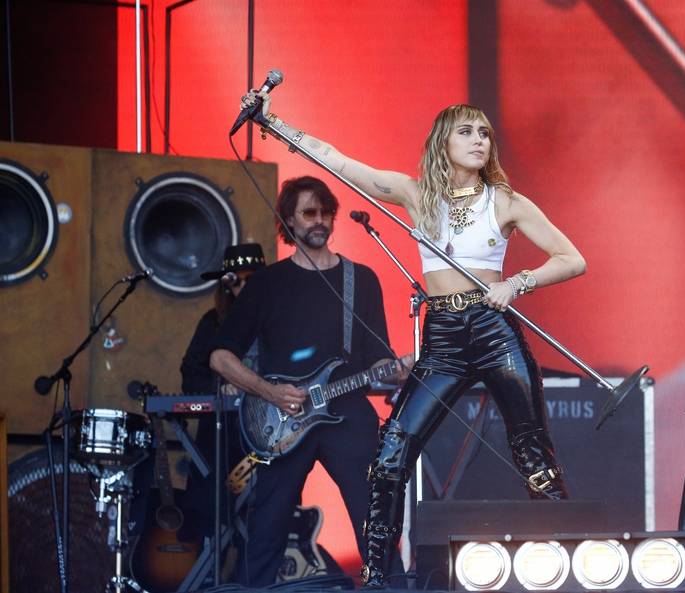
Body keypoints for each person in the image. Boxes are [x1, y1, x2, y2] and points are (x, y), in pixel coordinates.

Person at [242, 93, 586, 586]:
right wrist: (272, 123)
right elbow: (338, 162)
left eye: (484, 133)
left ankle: (568, 569)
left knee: (533, 454)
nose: (478, 141)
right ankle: (382, 580)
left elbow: (571, 258)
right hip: (443, 336)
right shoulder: (417, 194)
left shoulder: (506, 201)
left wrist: (517, 283)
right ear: (442, 143)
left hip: (492, 331)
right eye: (466, 132)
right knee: (389, 456)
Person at [209, 176, 409, 587]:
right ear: (289, 220)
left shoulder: (362, 280)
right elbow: (220, 356)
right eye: (309, 213)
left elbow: (379, 359)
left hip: (348, 415)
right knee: (265, 530)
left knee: (376, 524)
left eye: (325, 212)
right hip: (282, 420)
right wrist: (268, 391)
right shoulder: (267, 284)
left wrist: (401, 369)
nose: (320, 221)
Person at [179, 242, 266, 545]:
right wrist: (220, 388)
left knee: (264, 511)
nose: (242, 286)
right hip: (222, 436)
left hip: (267, 433)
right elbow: (191, 374)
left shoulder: (276, 320)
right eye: (234, 280)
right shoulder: (212, 321)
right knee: (210, 504)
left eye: (250, 279)